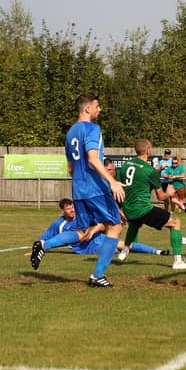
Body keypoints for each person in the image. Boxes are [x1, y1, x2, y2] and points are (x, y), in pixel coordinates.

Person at [32, 93, 125, 287]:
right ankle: (97, 275)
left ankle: (45, 244)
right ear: (87, 108)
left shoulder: (71, 132)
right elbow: (93, 158)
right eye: (97, 106)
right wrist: (112, 182)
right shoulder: (92, 128)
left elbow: (71, 168)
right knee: (115, 226)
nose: (100, 109)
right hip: (95, 189)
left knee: (82, 230)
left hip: (79, 189)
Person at [118, 138, 186, 270]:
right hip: (142, 208)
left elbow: (122, 185)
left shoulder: (125, 165)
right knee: (175, 222)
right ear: (148, 151)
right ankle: (178, 261)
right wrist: (170, 193)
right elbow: (161, 197)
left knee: (135, 223)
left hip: (128, 208)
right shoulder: (150, 170)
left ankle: (124, 251)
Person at [28, 198, 169, 262]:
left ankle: (158, 251)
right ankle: (111, 252)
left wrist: (94, 230)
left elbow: (103, 225)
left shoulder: (83, 215)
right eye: (68, 209)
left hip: (97, 239)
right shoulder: (59, 224)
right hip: (86, 249)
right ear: (63, 211)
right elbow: (45, 237)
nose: (72, 210)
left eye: (72, 207)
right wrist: (38, 249)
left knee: (124, 244)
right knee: (109, 250)